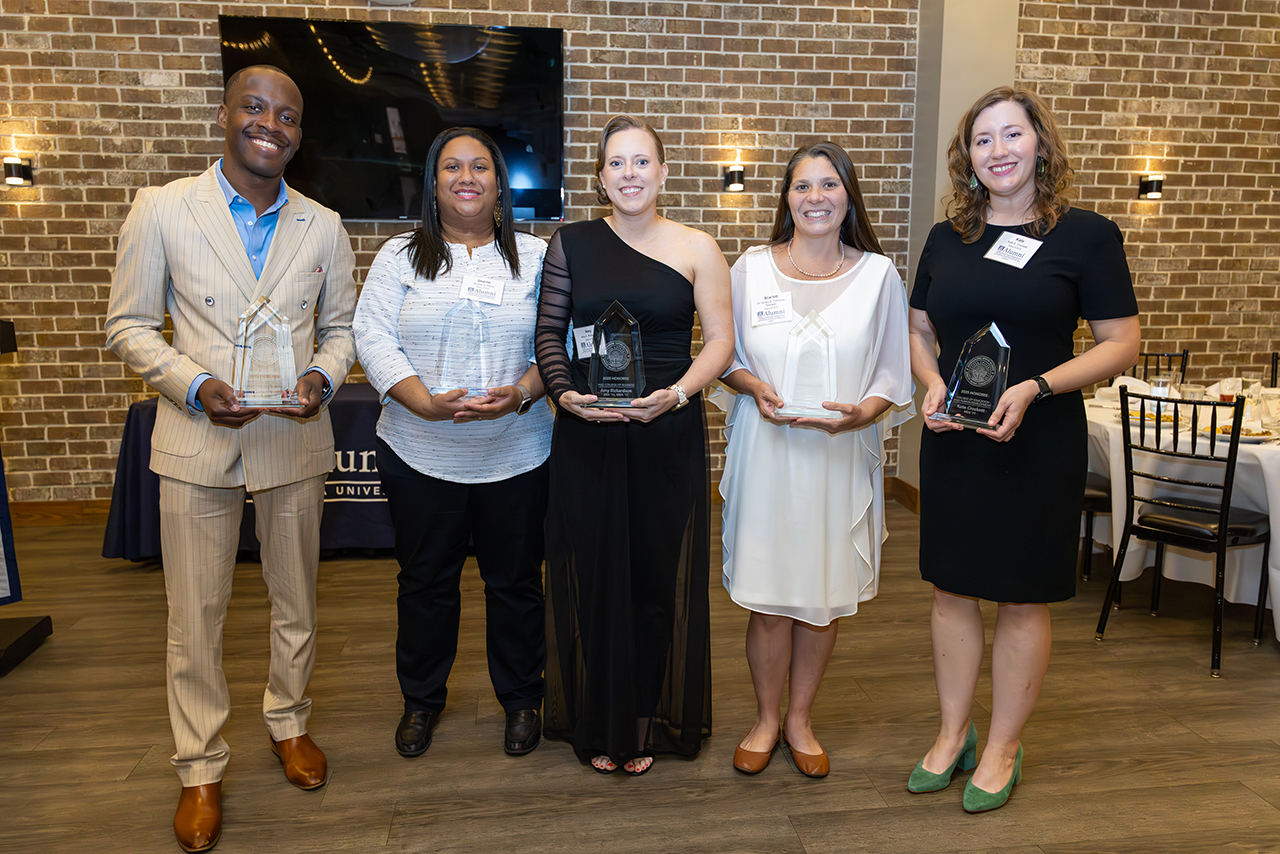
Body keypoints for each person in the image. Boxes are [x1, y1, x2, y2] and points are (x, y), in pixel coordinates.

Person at [105, 65, 358, 852]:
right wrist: (196, 383)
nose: (269, 124)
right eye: (254, 107)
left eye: (286, 116)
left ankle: (289, 723)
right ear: (224, 115)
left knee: (298, 603)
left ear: (298, 134)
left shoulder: (323, 224)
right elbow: (129, 326)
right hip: (197, 433)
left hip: (291, 435)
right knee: (195, 617)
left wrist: (322, 375)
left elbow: (341, 330)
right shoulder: (162, 208)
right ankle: (199, 766)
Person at [907, 86, 1140, 812]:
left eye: (1012, 135)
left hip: (1038, 440)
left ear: (1039, 142)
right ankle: (953, 735)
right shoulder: (949, 238)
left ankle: (1003, 744)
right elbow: (918, 329)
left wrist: (1037, 385)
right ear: (968, 158)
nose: (998, 151)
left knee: (1020, 597)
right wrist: (929, 385)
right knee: (950, 587)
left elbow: (1121, 343)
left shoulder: (1086, 236)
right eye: (983, 140)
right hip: (956, 440)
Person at [533, 115, 733, 775]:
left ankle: (641, 718)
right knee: (593, 578)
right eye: (616, 163)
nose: (629, 174)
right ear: (600, 178)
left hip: (664, 433)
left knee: (651, 580)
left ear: (663, 172)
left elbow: (722, 345)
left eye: (641, 161)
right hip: (588, 436)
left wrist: (675, 396)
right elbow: (549, 337)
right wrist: (566, 396)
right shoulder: (571, 244)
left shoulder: (699, 247)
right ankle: (600, 717)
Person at [353, 127, 551, 761]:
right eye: (451, 168)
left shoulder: (539, 255)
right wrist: (421, 401)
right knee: (424, 583)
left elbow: (560, 341)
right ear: (433, 183)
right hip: (420, 451)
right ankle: (421, 702)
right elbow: (372, 335)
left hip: (518, 451)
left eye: (481, 167)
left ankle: (522, 701)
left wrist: (522, 391)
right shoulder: (399, 256)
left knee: (516, 584)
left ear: (500, 183)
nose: (467, 178)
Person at [718, 143, 914, 778]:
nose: (815, 197)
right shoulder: (749, 270)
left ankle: (801, 719)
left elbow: (893, 368)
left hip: (836, 458)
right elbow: (726, 355)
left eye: (829, 184)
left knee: (821, 598)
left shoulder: (880, 276)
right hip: (768, 452)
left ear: (848, 196)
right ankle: (766, 717)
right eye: (802, 186)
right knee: (770, 597)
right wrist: (752, 388)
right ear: (787, 198)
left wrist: (866, 412)